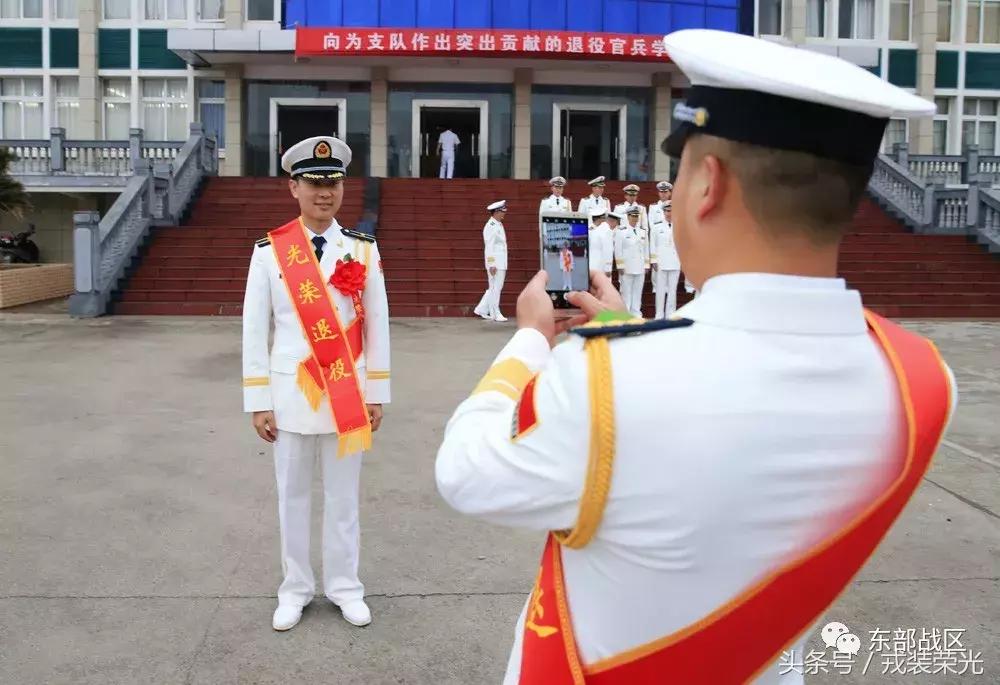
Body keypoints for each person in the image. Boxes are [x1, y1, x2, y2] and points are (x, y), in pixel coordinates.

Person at [435, 28, 955, 685]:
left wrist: (531, 337)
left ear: (707, 184)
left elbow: (466, 471)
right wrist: (628, 327)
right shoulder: (920, 380)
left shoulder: (599, 383)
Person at [242, 136, 390, 632]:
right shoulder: (269, 252)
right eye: (313, 183)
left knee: (344, 499)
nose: (324, 192)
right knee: (293, 497)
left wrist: (377, 392)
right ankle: (296, 589)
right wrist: (258, 400)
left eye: (333, 183)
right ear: (294, 187)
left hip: (348, 397)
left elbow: (378, 327)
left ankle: (346, 587)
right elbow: (254, 329)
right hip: (291, 396)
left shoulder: (363, 250)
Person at [473, 200, 509, 322]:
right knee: (495, 288)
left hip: (501, 261)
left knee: (495, 287)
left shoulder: (498, 224)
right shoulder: (491, 226)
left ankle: (482, 309)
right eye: (502, 211)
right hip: (495, 263)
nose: (504, 214)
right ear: (496, 212)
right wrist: (492, 264)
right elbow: (489, 246)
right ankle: (495, 313)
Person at [614, 205, 649, 317]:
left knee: (638, 292)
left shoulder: (643, 231)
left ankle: (636, 314)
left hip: (639, 265)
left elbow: (646, 249)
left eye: (636, 216)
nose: (635, 218)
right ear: (628, 217)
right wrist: (620, 266)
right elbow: (618, 249)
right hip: (627, 266)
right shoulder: (621, 231)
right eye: (632, 216)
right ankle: (626, 314)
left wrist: (646, 265)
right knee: (626, 293)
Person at [650, 200, 681, 319]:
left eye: (672, 211)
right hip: (661, 261)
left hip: (675, 260)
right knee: (660, 289)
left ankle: (671, 313)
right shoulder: (657, 226)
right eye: (667, 211)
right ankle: (659, 314)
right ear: (663, 212)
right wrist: (653, 260)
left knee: (673, 289)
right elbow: (652, 244)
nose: (669, 213)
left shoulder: (679, 226)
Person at [588, 208, 616, 279]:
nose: (605, 220)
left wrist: (608, 268)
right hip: (595, 266)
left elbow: (608, 250)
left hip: (598, 266)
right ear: (600, 218)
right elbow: (608, 250)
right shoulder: (605, 231)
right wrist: (608, 268)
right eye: (604, 217)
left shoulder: (605, 230)